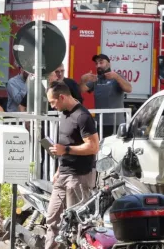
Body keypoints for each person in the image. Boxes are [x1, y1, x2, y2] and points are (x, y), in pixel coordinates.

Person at [44, 81, 99, 249]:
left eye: (53, 102)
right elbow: (65, 143)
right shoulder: (64, 114)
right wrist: (58, 170)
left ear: (62, 97)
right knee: (52, 219)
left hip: (79, 177)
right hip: (63, 175)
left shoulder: (82, 116)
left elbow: (93, 146)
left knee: (77, 225)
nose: (53, 107)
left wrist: (66, 150)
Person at [80, 54, 133, 137]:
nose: (98, 66)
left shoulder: (117, 77)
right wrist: (83, 80)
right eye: (96, 64)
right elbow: (81, 90)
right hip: (100, 123)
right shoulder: (96, 79)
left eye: (101, 63)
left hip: (116, 124)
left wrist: (117, 77)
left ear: (108, 64)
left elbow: (129, 89)